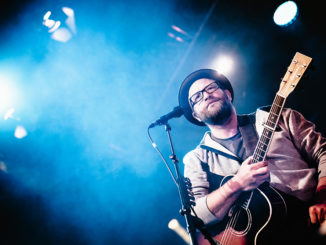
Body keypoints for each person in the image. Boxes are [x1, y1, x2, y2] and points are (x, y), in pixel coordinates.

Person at [178, 69, 326, 245]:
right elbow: (198, 216)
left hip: (312, 222)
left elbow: (323, 153)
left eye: (211, 88)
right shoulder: (196, 159)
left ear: (227, 94)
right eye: (196, 97)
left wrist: (322, 198)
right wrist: (238, 184)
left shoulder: (280, 117)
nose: (205, 96)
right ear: (195, 115)